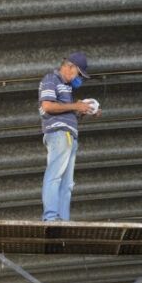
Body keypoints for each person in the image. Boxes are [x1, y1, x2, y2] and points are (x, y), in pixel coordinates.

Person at [38, 51, 101, 222]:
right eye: (78, 74)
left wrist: (85, 110)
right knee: (55, 175)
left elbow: (66, 110)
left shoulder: (68, 89)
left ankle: (63, 221)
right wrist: (76, 105)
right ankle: (51, 217)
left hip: (70, 136)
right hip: (60, 133)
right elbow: (48, 106)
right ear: (69, 66)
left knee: (67, 185)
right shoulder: (51, 79)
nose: (78, 78)